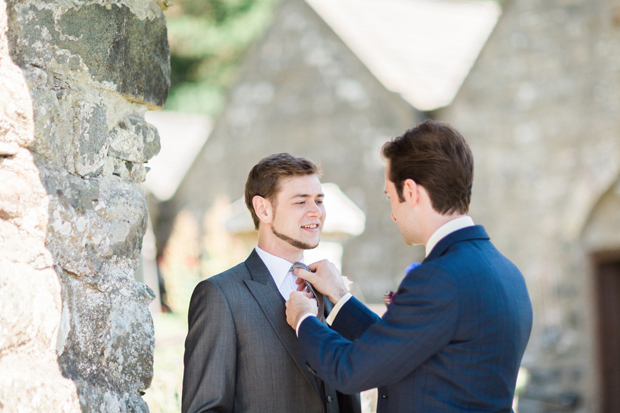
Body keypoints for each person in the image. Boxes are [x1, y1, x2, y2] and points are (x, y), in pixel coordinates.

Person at [286, 120, 533, 413]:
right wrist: (340, 297)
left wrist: (304, 319)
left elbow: (351, 370)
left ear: (411, 192)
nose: (392, 214)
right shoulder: (508, 272)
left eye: (390, 197)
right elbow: (399, 345)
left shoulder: (439, 278)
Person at [182, 153, 360, 413]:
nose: (316, 212)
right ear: (263, 209)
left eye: (319, 201)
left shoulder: (332, 291)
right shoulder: (220, 296)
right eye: (301, 202)